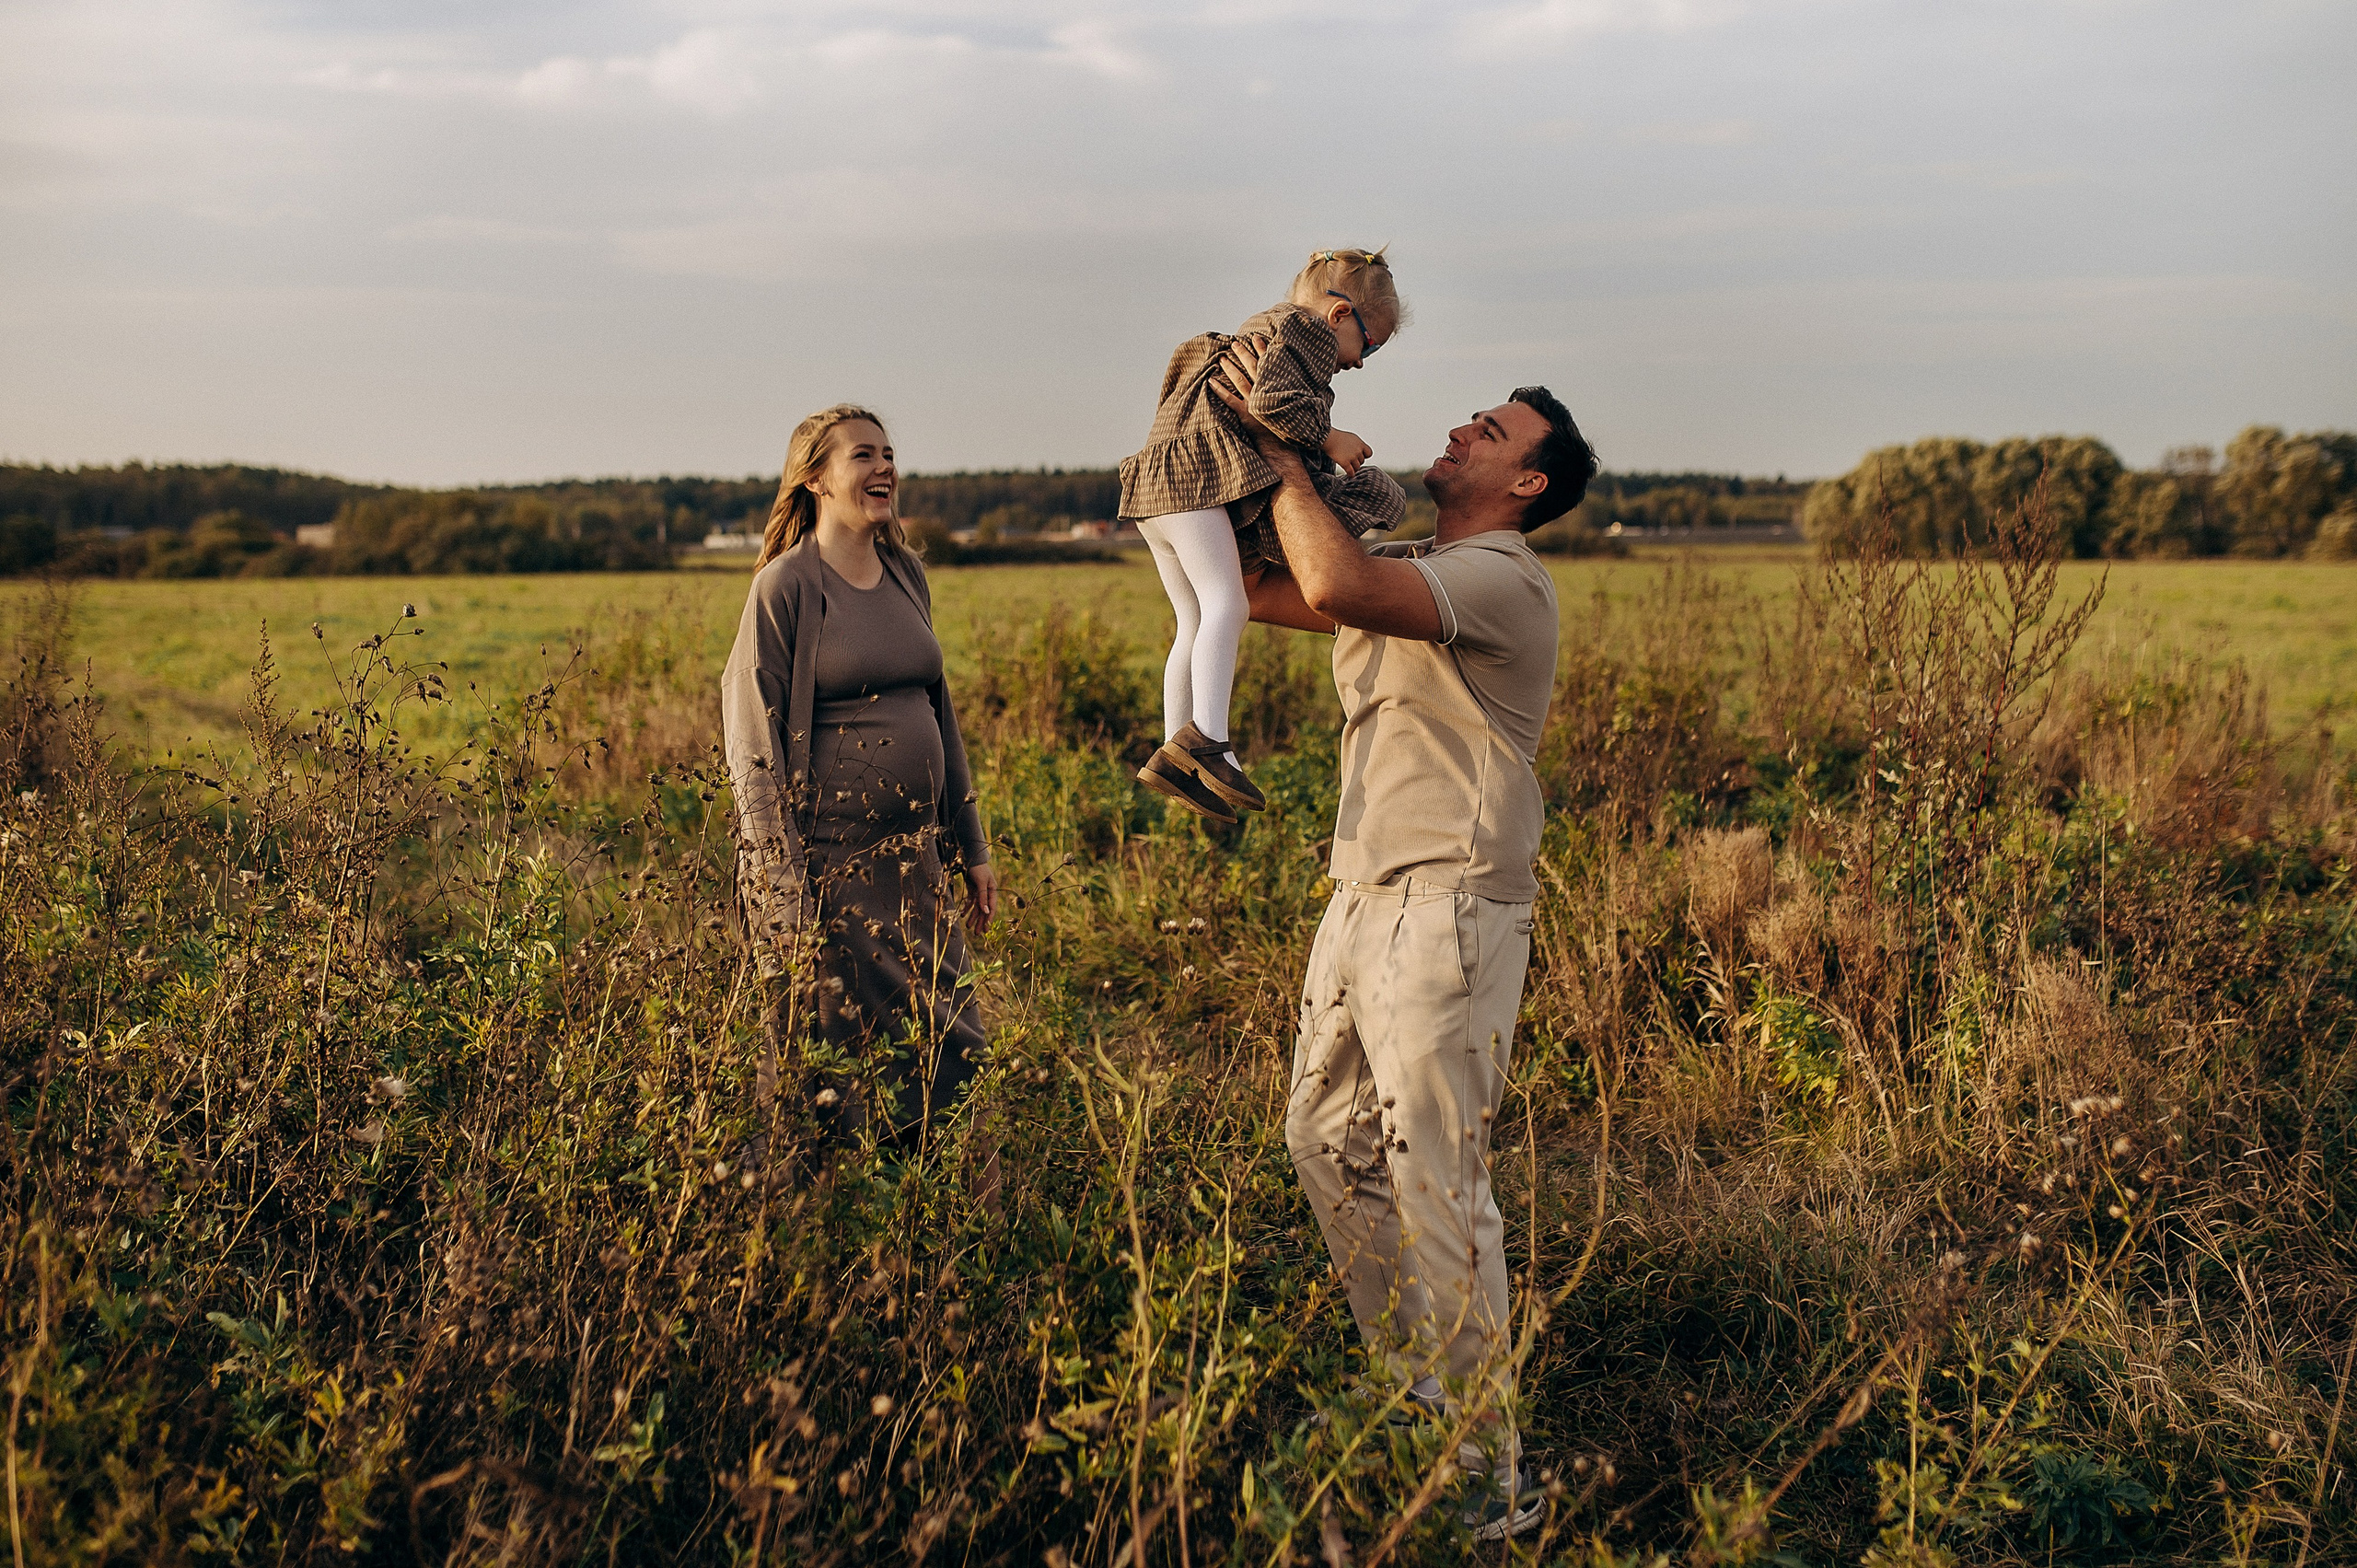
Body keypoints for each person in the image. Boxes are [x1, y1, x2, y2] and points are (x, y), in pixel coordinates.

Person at [1217, 348, 1597, 1542]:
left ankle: (1488, 1482)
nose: (1460, 429)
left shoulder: (1501, 579)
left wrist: (1285, 447)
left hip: (1452, 908)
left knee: (1438, 1181)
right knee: (1323, 1136)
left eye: (1489, 430)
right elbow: (1255, 584)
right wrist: (1212, 445)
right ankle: (1416, 1393)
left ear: (1526, 484)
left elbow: (1328, 587)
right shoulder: (1422, 560)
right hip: (1363, 890)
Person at [720, 403, 999, 1160]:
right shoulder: (786, 589)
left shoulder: (908, 573)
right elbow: (753, 742)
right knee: (836, 1068)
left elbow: (939, 714)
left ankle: (940, 1221)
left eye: (889, 453)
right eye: (862, 456)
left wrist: (970, 843)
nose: (885, 468)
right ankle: (834, 1234)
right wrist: (780, 892)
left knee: (952, 1046)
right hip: (830, 875)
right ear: (815, 479)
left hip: (916, 872)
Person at [1117, 248, 1411, 826]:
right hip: (1196, 481)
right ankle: (1211, 745)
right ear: (1339, 314)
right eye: (1370, 344)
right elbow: (1269, 403)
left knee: (1194, 620)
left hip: (1157, 485)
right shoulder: (1301, 333)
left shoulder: (1262, 331)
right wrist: (1330, 438)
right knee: (1227, 604)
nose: (1362, 361)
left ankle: (1177, 751)